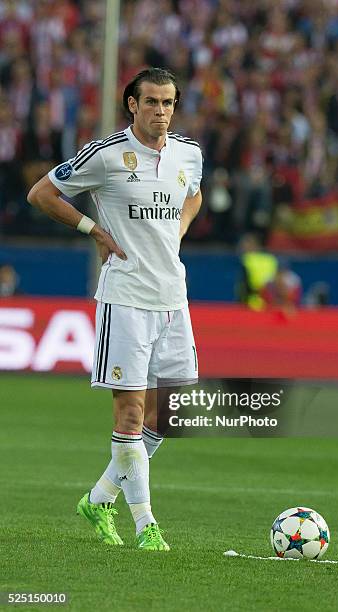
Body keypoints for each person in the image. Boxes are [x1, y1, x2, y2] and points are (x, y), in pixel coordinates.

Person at [27, 67, 203, 551]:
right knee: (128, 415)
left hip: (173, 300)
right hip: (125, 299)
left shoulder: (189, 153)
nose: (161, 112)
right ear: (133, 105)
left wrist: (176, 233)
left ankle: (100, 497)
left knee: (163, 417)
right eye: (151, 103)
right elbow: (42, 193)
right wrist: (94, 230)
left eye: (168, 103)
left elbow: (194, 195)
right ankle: (147, 525)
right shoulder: (106, 155)